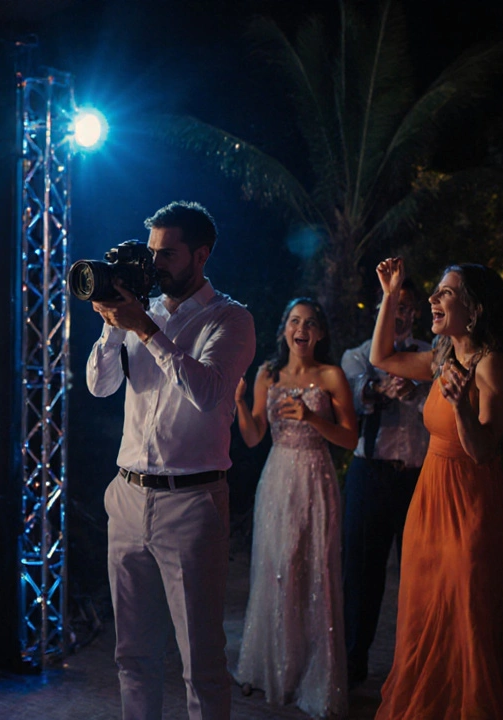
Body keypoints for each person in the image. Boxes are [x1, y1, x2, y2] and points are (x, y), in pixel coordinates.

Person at [87, 201, 256, 720]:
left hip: (193, 501)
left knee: (201, 662)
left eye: (168, 253)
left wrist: (145, 330)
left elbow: (207, 392)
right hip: (128, 495)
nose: (155, 263)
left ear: (200, 255)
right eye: (151, 251)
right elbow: (99, 386)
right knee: (132, 655)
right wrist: (115, 326)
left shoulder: (229, 318)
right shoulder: (144, 312)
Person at [369, 258, 503, 720]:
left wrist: (458, 406)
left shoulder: (494, 366)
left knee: (464, 628)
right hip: (429, 505)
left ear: (473, 309)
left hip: (471, 511)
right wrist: (390, 295)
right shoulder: (442, 357)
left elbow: (483, 452)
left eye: (446, 292)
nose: (434, 299)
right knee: (422, 619)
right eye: (435, 291)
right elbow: (383, 358)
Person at [232, 298, 356, 718]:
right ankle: (272, 670)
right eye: (293, 321)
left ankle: (311, 674)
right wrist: (238, 403)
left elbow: (351, 440)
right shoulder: (267, 373)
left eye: (309, 323)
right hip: (277, 478)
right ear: (285, 328)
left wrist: (311, 418)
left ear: (320, 333)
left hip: (316, 477)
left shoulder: (332, 376)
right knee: (275, 568)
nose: (300, 328)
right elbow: (252, 437)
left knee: (313, 571)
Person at [338, 279, 430, 688]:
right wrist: (380, 385)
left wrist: (415, 389)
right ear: (381, 306)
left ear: (416, 314)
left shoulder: (431, 354)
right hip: (369, 473)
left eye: (407, 306)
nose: (400, 313)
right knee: (360, 572)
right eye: (393, 304)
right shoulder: (357, 355)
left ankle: (417, 666)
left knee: (421, 574)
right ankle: (352, 662)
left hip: (420, 478)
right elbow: (354, 396)